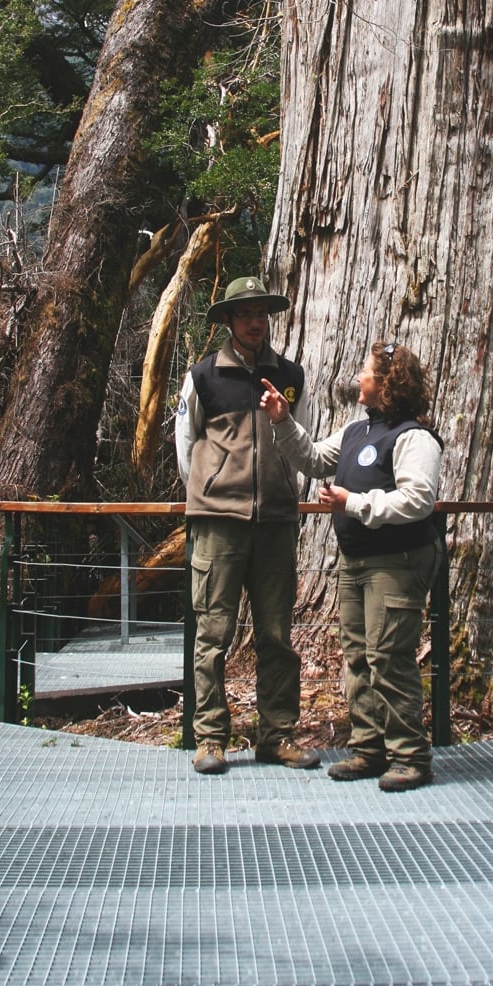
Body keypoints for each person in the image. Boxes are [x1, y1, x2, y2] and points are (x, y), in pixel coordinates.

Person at [260, 342, 443, 792]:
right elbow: (313, 459)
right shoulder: (356, 431)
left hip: (397, 562)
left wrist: (355, 503)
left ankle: (410, 757)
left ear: (387, 382)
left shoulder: (414, 437)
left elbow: (418, 500)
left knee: (389, 657)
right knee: (358, 657)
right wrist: (282, 421)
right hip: (355, 560)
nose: (358, 377)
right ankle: (369, 748)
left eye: (366, 371)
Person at [175, 275, 320, 775]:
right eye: (245, 314)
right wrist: (210, 489)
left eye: (261, 314)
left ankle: (277, 736)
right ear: (229, 321)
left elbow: (303, 441)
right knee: (212, 633)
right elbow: (185, 444)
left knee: (276, 635)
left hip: (276, 521)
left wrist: (284, 489)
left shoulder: (291, 376)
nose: (255, 322)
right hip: (218, 524)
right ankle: (210, 739)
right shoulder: (203, 377)